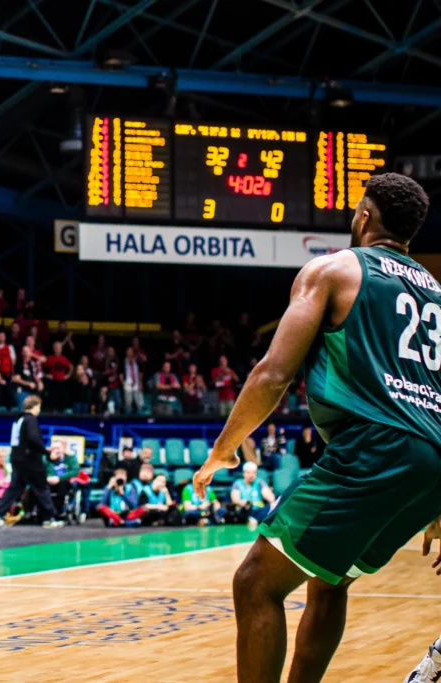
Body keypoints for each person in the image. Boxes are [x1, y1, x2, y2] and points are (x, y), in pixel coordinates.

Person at [185, 174, 441, 683]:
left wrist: (223, 450)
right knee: (330, 581)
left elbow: (272, 373)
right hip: (431, 459)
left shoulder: (334, 269)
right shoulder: (436, 292)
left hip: (375, 446)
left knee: (256, 582)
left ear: (365, 216)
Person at [0, 395, 65, 529]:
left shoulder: (18, 419)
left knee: (14, 488)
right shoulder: (31, 420)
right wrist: (47, 453)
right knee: (42, 488)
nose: (39, 410)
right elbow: (33, 439)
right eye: (39, 407)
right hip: (30, 461)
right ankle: (49, 518)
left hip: (17, 459)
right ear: (35, 406)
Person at [230, 462, 275, 531]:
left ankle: (255, 520)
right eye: (249, 473)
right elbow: (235, 499)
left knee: (270, 507)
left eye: (254, 473)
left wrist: (268, 495)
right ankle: (255, 520)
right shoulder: (238, 483)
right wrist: (241, 502)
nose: (251, 475)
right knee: (242, 511)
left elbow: (270, 497)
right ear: (244, 473)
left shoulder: (259, 482)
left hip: (258, 510)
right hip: (245, 510)